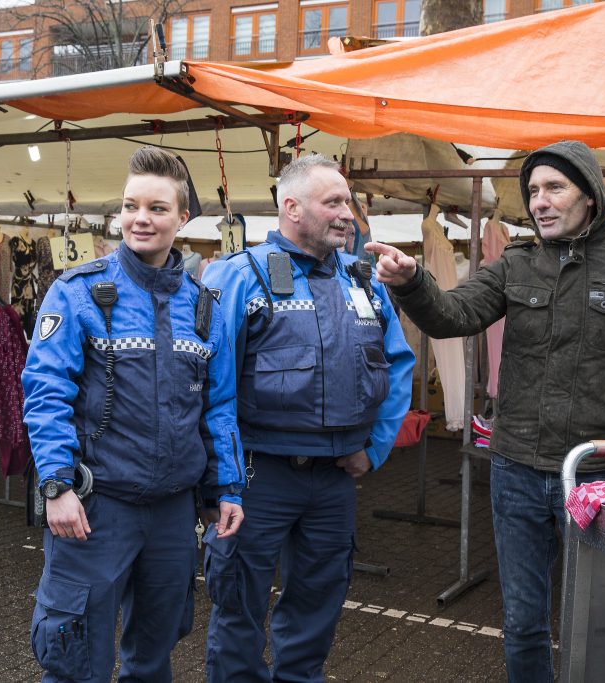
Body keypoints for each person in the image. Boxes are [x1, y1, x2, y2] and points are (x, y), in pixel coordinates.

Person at [365, 140, 605, 683]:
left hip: (598, 473)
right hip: (517, 469)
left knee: (603, 617)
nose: (540, 201)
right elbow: (453, 314)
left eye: (554, 188)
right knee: (522, 621)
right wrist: (412, 282)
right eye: (534, 191)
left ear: (589, 196)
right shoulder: (513, 266)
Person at [21, 146, 245, 683]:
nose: (141, 218)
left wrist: (227, 489)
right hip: (96, 509)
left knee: (154, 654)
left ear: (183, 217)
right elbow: (45, 392)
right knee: (76, 659)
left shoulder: (203, 306)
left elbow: (218, 406)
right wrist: (56, 485)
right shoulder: (75, 293)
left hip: (172, 516)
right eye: (131, 206)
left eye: (157, 208)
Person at [201, 154, 415, 683]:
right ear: (292, 208)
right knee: (238, 607)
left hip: (334, 480)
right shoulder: (238, 277)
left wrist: (376, 447)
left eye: (349, 202)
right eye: (334, 202)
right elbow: (213, 389)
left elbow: (397, 363)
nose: (349, 214)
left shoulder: (364, 281)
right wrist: (223, 480)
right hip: (257, 477)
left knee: (317, 609)